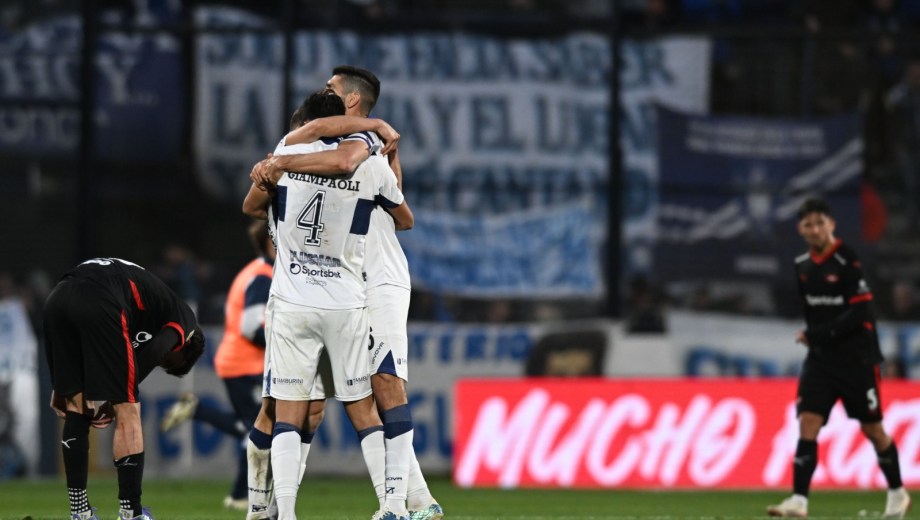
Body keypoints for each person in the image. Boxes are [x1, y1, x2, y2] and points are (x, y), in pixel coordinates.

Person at [250, 65, 443, 520]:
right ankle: (273, 508)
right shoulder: (342, 146)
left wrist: (279, 164)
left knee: (384, 386)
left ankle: (403, 503)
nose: (323, 89)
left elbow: (401, 212)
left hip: (377, 281)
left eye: (331, 86)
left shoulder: (361, 146)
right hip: (341, 285)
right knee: (308, 405)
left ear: (351, 102)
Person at [766, 198, 910, 518]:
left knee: (873, 430)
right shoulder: (802, 264)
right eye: (808, 225)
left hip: (856, 359)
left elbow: (861, 313)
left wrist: (817, 335)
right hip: (821, 360)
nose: (815, 230)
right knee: (808, 422)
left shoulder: (848, 260)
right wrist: (817, 338)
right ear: (800, 229)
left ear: (832, 225)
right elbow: (814, 311)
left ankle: (898, 493)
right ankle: (799, 501)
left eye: (820, 223)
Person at [43, 257, 206, 520]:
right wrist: (116, 396)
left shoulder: (147, 310)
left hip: (58, 297)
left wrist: (62, 384)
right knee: (128, 410)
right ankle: (131, 513)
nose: (164, 363)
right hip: (100, 298)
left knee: (76, 406)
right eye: (170, 364)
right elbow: (156, 349)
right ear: (186, 348)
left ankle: (80, 513)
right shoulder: (185, 318)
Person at [159, 220, 275, 511]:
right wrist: (282, 345)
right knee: (259, 432)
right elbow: (251, 326)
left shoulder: (256, 271)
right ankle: (240, 496)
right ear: (271, 243)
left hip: (241, 363)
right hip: (245, 365)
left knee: (252, 430)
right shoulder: (263, 275)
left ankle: (199, 412)